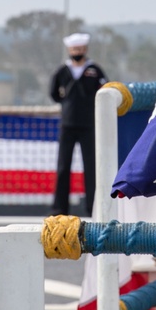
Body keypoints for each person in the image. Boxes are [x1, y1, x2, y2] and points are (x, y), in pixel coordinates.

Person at [49, 32, 107, 215]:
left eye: (80, 49)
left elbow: (105, 89)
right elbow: (53, 93)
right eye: (74, 49)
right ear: (69, 50)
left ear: (86, 49)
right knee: (63, 167)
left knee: (91, 167)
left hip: (89, 125)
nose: (77, 52)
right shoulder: (62, 71)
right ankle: (59, 209)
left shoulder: (95, 71)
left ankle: (93, 208)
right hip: (67, 125)